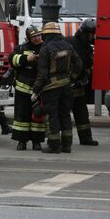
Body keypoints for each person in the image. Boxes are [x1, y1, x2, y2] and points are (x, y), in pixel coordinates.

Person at [32, 22, 82, 154]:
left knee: (51, 115)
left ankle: (54, 145)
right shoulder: (68, 46)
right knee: (65, 115)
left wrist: (35, 90)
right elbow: (78, 64)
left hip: (51, 88)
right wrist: (72, 78)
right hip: (66, 87)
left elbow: (42, 75)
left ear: (46, 35)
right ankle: (67, 146)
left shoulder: (45, 49)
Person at [8, 25, 46, 150]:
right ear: (29, 38)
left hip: (39, 89)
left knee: (37, 117)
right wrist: (26, 59)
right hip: (22, 88)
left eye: (39, 35)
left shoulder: (45, 48)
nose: (37, 38)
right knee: (22, 117)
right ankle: (21, 142)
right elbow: (12, 59)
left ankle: (37, 142)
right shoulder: (21, 48)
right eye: (34, 37)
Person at [66, 19, 99, 146]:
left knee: (82, 114)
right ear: (85, 33)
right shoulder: (69, 43)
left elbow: (87, 66)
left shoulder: (87, 48)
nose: (93, 37)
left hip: (78, 86)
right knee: (64, 115)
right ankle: (63, 140)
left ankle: (86, 139)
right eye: (91, 34)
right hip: (66, 86)